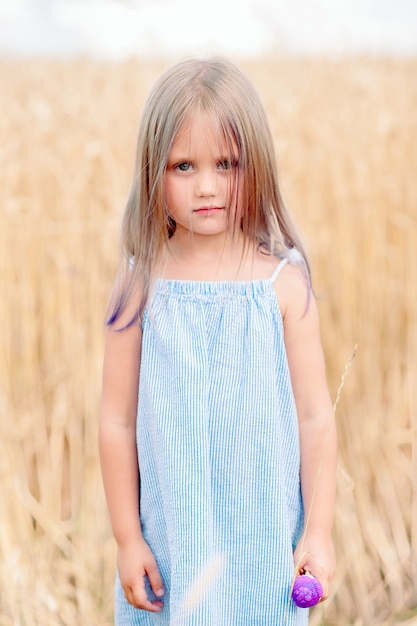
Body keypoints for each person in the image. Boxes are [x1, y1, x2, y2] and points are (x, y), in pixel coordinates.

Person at [99, 57, 337, 626]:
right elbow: (116, 421)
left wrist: (319, 532)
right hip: (173, 545)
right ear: (153, 169)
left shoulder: (283, 283)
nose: (207, 187)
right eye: (184, 165)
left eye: (226, 164)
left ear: (256, 165)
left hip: (262, 547)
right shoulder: (141, 284)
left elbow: (314, 416)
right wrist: (128, 540)